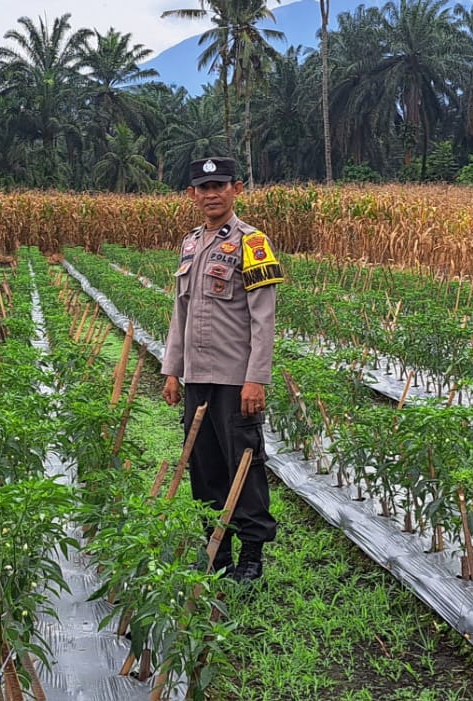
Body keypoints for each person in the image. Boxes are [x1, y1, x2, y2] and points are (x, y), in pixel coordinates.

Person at [161, 156, 283, 584]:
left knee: (244, 466)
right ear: (192, 194)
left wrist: (256, 379)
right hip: (197, 377)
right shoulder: (190, 243)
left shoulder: (253, 243)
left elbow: (263, 319)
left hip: (235, 381)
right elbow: (181, 312)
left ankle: (251, 556)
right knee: (205, 468)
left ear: (237, 189)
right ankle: (217, 551)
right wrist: (172, 370)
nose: (211, 194)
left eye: (220, 186)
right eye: (203, 187)